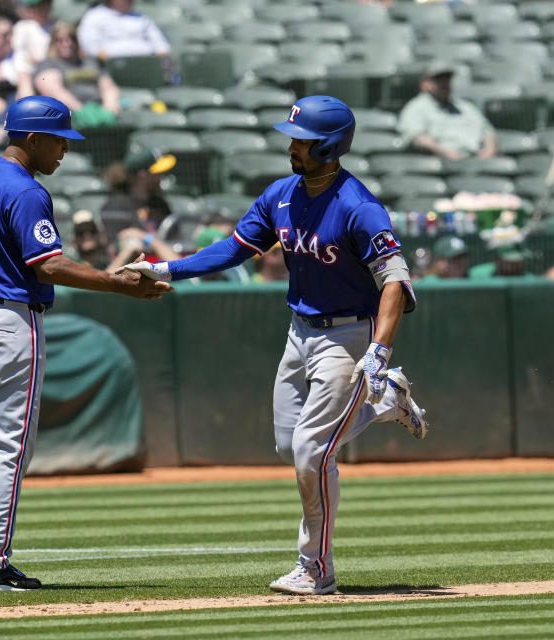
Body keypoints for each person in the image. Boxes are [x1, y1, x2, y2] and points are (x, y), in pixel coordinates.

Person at [117, 95, 429, 596]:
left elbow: (395, 279)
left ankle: (316, 568)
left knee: (311, 451)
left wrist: (379, 351)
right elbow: (235, 248)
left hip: (347, 335)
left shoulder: (359, 206)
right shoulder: (281, 194)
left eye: (301, 142)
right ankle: (387, 402)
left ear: (328, 146)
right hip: (300, 331)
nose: (292, 147)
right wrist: (165, 266)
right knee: (291, 445)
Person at [0, 95, 172, 591]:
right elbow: (47, 265)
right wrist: (117, 283)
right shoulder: (25, 191)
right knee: (8, 445)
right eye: (59, 140)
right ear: (30, 137)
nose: (64, 151)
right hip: (7, 319)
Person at [397, 60, 497, 161]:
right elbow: (417, 138)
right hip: (439, 162)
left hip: (475, 159)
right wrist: (445, 152)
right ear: (424, 84)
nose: (444, 83)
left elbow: (488, 131)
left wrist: (489, 150)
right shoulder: (416, 107)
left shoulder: (465, 107)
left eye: (447, 78)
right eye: (438, 79)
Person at [34, 21, 121, 128]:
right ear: (53, 43)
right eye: (60, 40)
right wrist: (80, 110)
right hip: (70, 114)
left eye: (71, 39)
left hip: (100, 108)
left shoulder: (90, 62)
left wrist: (109, 109)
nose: (67, 43)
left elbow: (108, 86)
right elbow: (52, 90)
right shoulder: (48, 64)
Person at [101, 147, 176, 236]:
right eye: (158, 173)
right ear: (142, 175)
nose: (161, 177)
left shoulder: (160, 205)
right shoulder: (115, 206)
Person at [76, 0, 171, 61]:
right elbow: (90, 46)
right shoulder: (95, 16)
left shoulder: (141, 18)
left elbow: (162, 46)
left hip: (145, 67)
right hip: (110, 67)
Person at [12, 0, 53, 84]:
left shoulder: (55, 25)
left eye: (47, 4)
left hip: (52, 71)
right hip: (28, 74)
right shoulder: (23, 26)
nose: (45, 9)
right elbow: (19, 55)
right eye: (40, 6)